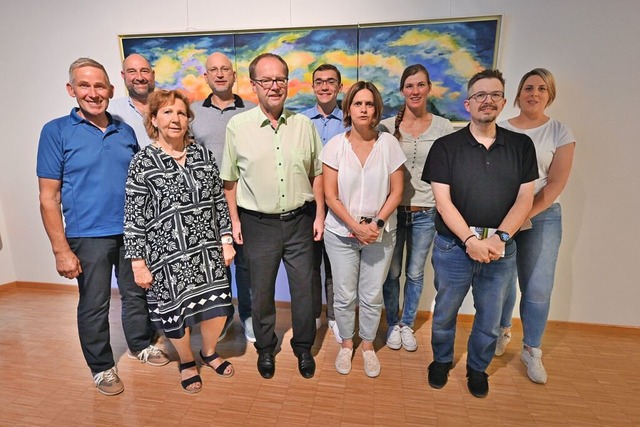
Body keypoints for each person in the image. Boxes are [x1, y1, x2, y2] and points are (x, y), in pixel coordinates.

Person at [36, 58, 169, 397]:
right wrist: (60, 250)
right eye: (85, 85)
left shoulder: (124, 129)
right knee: (94, 304)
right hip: (87, 235)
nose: (93, 93)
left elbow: (141, 184)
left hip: (131, 232)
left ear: (111, 90)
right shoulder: (56, 131)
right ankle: (102, 367)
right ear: (71, 90)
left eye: (99, 86)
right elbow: (48, 197)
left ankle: (141, 344)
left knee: (137, 293)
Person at [423, 69, 538, 398]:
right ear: (467, 104)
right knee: (445, 310)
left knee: (489, 316)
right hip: (453, 247)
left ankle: (477, 367)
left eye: (495, 94)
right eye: (480, 95)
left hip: (501, 248)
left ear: (503, 101)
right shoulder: (446, 147)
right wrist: (471, 241)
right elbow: (442, 202)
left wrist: (498, 239)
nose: (487, 100)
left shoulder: (520, 145)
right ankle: (442, 360)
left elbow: (525, 199)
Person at [124, 89, 236, 394]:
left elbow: (218, 201)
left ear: (189, 119)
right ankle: (186, 361)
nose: (176, 119)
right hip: (167, 257)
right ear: (155, 119)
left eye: (181, 113)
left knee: (218, 309)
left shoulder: (202, 155)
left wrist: (226, 239)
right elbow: (133, 216)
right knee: (177, 315)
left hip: (207, 250)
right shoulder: (142, 161)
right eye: (168, 112)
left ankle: (209, 353)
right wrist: (138, 262)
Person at [220, 53, 324, 380]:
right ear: (253, 86)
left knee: (305, 289)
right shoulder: (238, 127)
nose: (274, 86)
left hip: (300, 221)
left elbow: (317, 174)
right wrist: (234, 222)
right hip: (257, 224)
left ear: (287, 83)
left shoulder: (304, 125)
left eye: (280, 79)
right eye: (266, 80)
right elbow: (230, 181)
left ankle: (303, 347)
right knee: (261, 291)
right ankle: (265, 348)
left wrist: (319, 215)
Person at [494, 68, 576, 384]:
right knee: (500, 282)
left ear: (549, 94)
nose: (534, 93)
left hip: (542, 217)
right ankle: (502, 330)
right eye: (529, 87)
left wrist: (526, 214)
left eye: (542, 89)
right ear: (518, 93)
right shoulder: (500, 129)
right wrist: (507, 218)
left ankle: (532, 349)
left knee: (538, 287)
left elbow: (555, 182)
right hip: (501, 216)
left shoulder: (559, 132)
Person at [321, 81, 405, 378]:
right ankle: (347, 344)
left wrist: (376, 224)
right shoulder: (334, 146)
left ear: (376, 109)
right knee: (344, 295)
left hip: (380, 234)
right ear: (349, 108)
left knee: (371, 295)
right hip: (341, 234)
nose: (364, 108)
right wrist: (356, 226)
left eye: (369, 104)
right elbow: (330, 195)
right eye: (358, 103)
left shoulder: (388, 144)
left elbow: (396, 192)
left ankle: (367, 345)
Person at [379, 64, 454, 352]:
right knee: (392, 272)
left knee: (415, 272)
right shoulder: (386, 126)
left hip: (426, 212)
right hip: (393, 212)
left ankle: (407, 324)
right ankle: (392, 325)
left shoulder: (443, 127)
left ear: (428, 88)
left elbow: (449, 171)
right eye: (409, 86)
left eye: (420, 85)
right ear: (402, 91)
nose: (415, 91)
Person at [191, 52, 257, 343]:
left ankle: (248, 317)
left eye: (225, 70)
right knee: (213, 267)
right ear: (205, 77)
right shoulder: (191, 113)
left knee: (246, 265)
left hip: (244, 203)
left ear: (234, 75)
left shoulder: (253, 110)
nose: (219, 74)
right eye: (213, 70)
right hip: (204, 205)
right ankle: (220, 319)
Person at [301, 64, 347, 342]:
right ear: (313, 87)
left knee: (335, 266)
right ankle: (314, 313)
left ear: (340, 87)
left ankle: (334, 316)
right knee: (309, 264)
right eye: (319, 82)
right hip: (308, 204)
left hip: (340, 205)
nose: (325, 86)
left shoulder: (350, 121)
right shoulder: (301, 121)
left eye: (331, 81)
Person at [108, 53, 155, 147]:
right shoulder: (110, 112)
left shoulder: (171, 108)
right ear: (123, 75)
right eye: (132, 71)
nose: (140, 77)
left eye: (144, 71)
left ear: (153, 75)